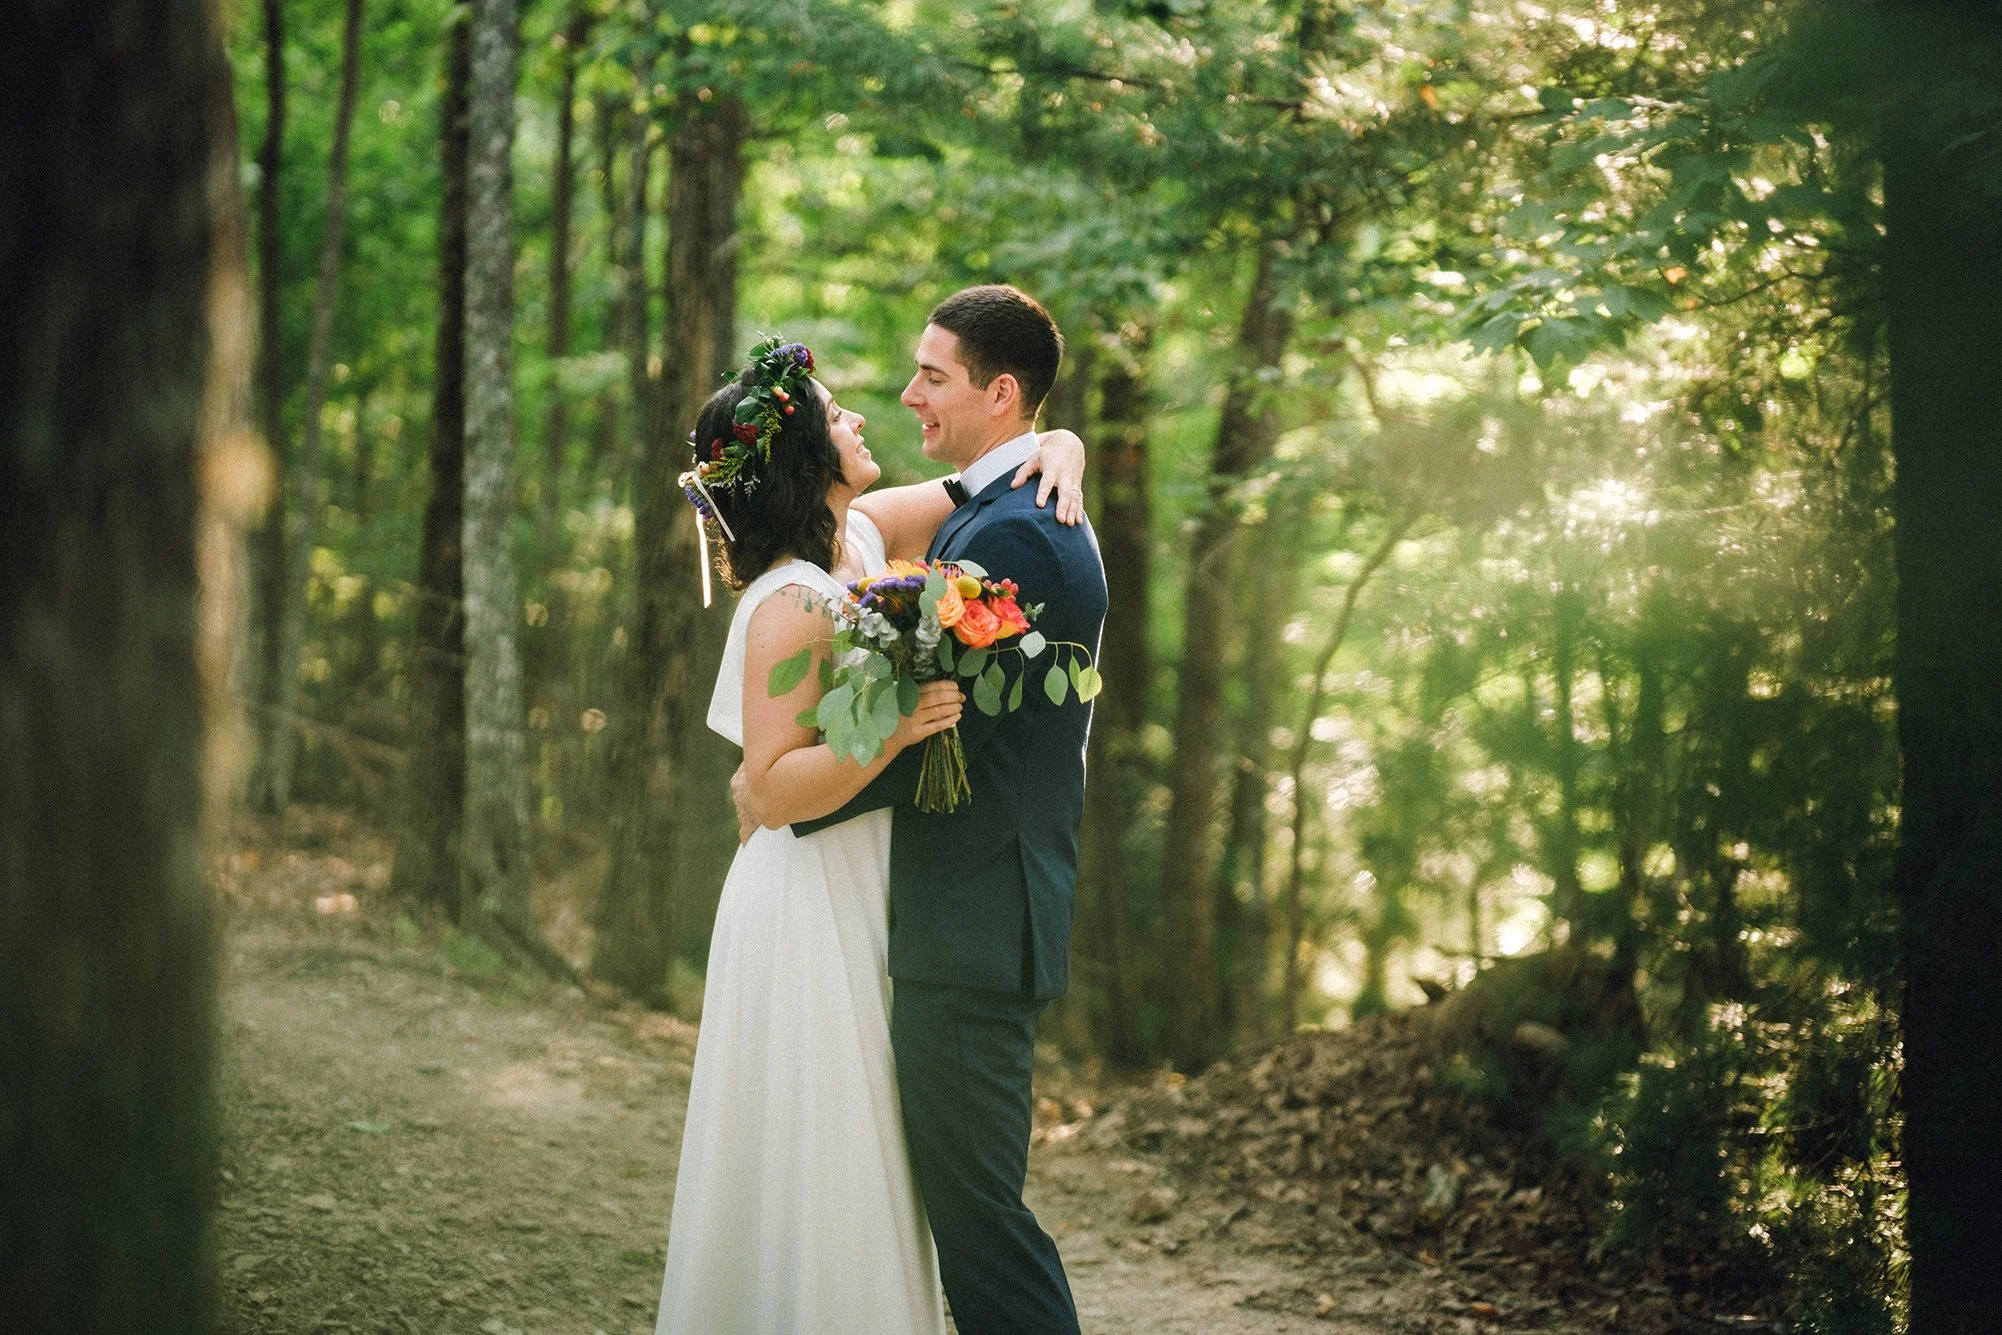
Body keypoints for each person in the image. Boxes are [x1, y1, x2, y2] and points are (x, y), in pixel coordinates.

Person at [653, 334, 1087, 1335]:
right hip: (803, 894)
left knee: (858, 1146)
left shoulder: (848, 547)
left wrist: (1057, 442)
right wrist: (895, 730)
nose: (861, 420)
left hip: (855, 881)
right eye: (839, 417)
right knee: (827, 1141)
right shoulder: (792, 602)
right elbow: (769, 790)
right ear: (810, 461)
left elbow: (976, 479)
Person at [768, 285, 1107, 1335]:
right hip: (965, 921)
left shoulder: (1020, 538)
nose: (909, 392)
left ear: (1000, 394)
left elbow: (946, 741)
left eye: (933, 376)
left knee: (980, 1227)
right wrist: (1068, 442)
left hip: (971, 927)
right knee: (963, 1216)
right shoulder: (991, 505)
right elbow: (857, 519)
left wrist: (786, 799)